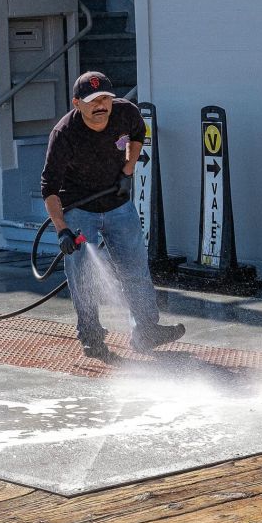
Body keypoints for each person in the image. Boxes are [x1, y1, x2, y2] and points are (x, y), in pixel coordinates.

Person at [41, 71, 185, 361]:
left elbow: (138, 134)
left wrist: (127, 171)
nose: (101, 105)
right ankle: (92, 338)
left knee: (135, 268)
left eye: (105, 97)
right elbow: (49, 188)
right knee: (83, 277)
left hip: (119, 205)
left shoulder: (126, 113)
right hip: (79, 209)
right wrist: (63, 230)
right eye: (93, 100)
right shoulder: (64, 133)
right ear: (77, 103)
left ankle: (146, 330)